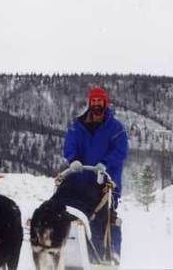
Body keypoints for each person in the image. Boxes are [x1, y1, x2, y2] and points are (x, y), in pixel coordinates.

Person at [63, 86, 129, 265]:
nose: (97, 104)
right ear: (90, 103)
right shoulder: (77, 126)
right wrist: (73, 159)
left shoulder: (116, 128)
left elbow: (121, 151)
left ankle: (105, 257)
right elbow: (69, 145)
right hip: (80, 181)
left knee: (104, 217)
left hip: (106, 182)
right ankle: (63, 253)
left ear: (105, 103)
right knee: (62, 209)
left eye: (100, 101)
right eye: (94, 101)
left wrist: (105, 164)